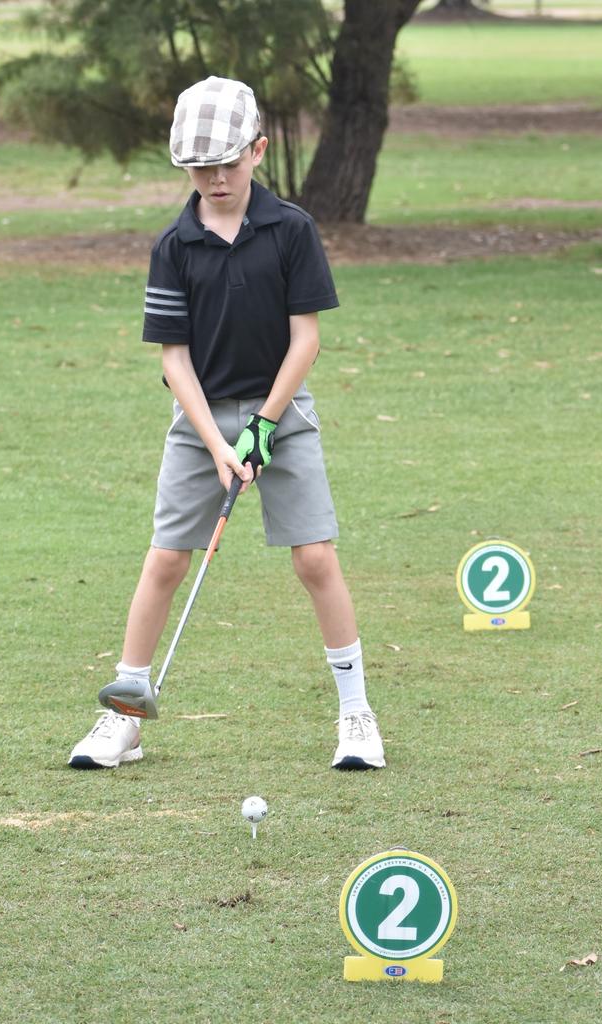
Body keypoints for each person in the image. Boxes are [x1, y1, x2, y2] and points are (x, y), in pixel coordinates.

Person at [69, 76, 384, 772]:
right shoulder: (174, 245)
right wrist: (216, 441)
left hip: (284, 413)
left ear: (258, 152)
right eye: (199, 166)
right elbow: (173, 358)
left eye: (228, 162)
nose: (214, 177)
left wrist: (264, 427)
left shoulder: (292, 230)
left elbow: (306, 340)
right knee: (166, 559)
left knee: (315, 557)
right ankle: (123, 717)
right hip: (199, 420)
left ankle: (356, 714)